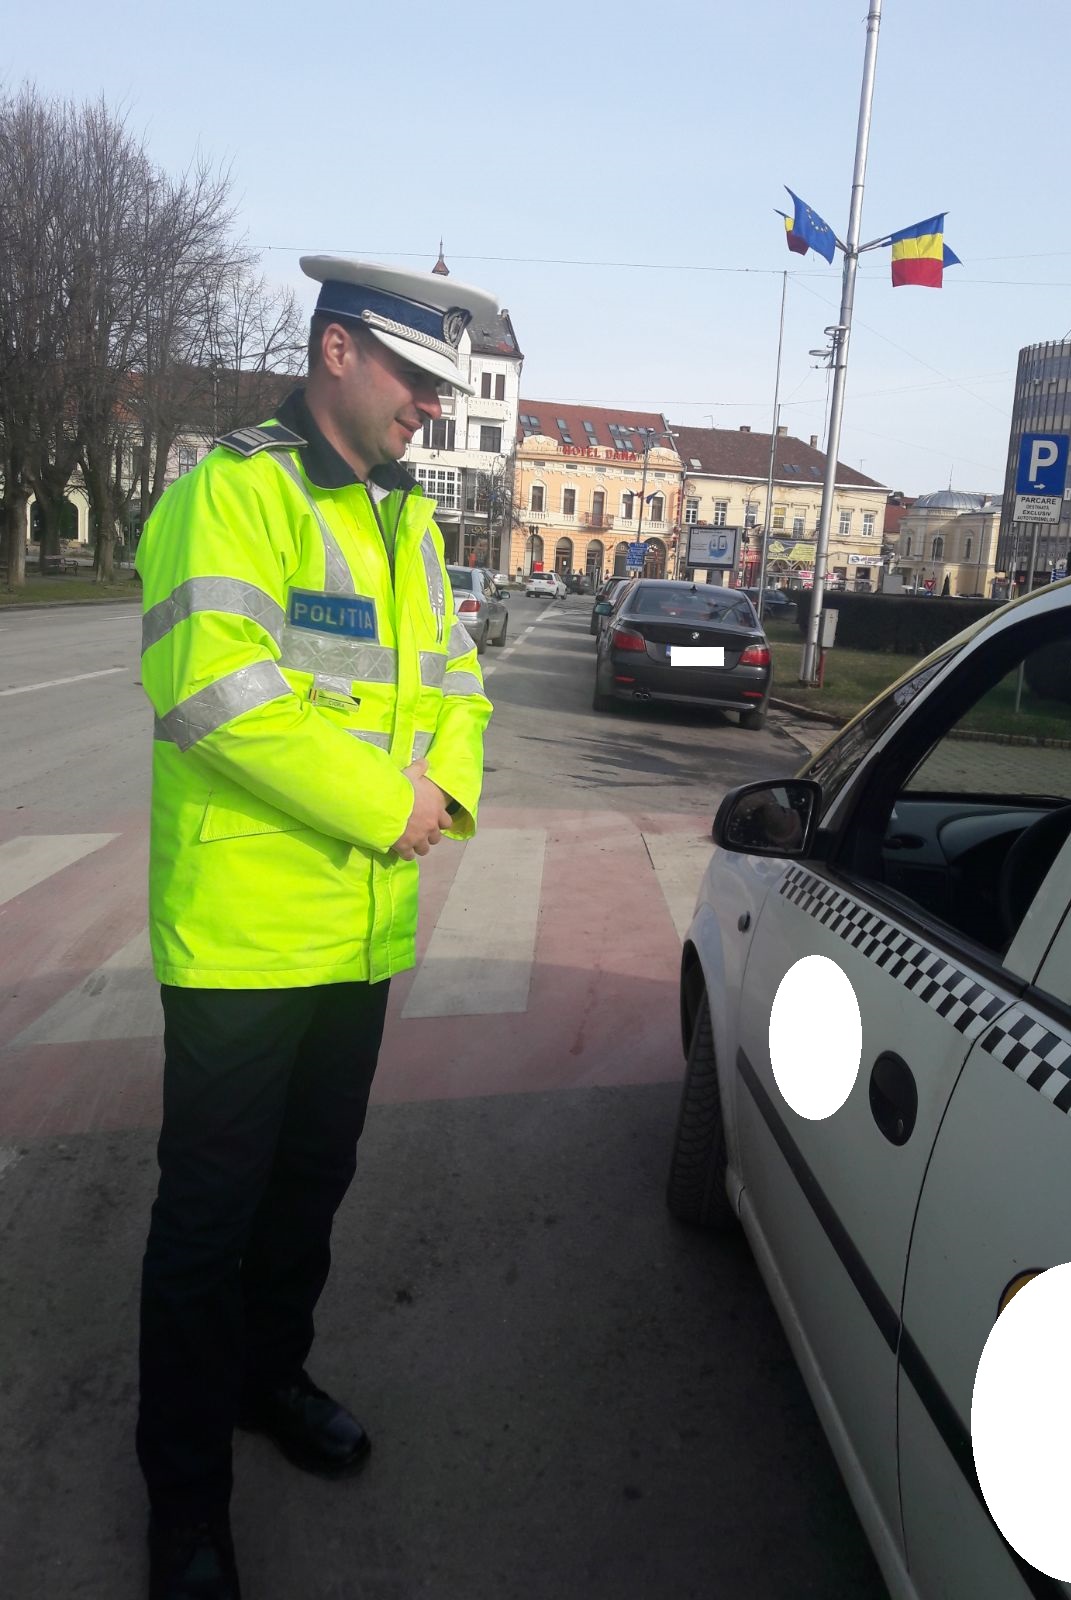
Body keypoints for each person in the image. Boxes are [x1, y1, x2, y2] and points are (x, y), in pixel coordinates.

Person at [134, 255, 499, 1599]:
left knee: (309, 1190)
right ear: (336, 350)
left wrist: (444, 789)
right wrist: (390, 804)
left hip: (358, 934)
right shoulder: (232, 493)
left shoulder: (408, 521)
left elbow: (457, 679)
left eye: (443, 386)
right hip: (243, 940)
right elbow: (214, 693)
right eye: (415, 376)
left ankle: (268, 1379)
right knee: (207, 1227)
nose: (431, 406)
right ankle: (185, 1509)